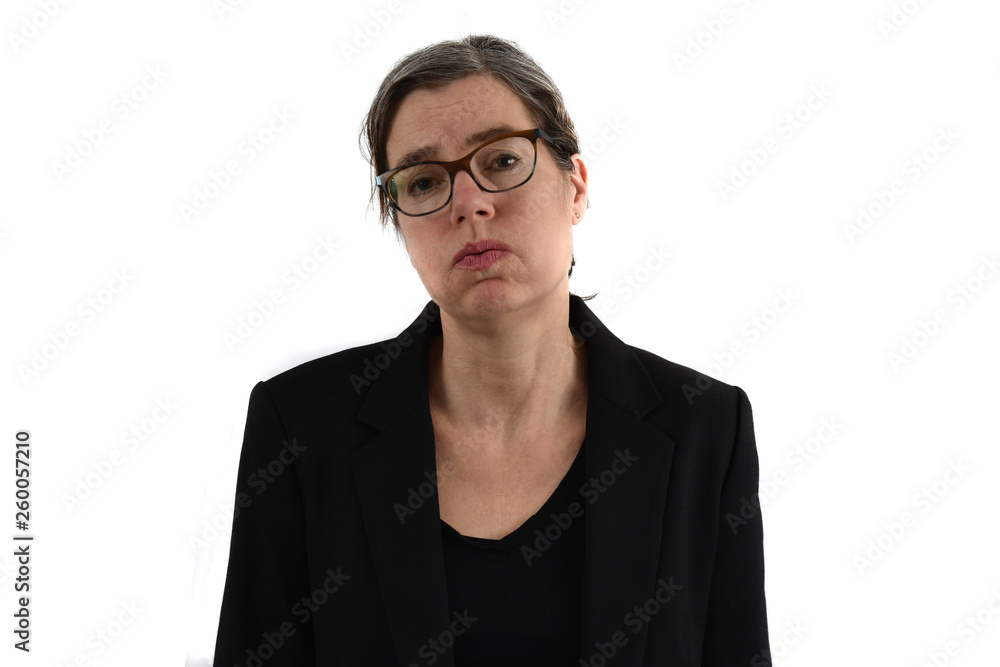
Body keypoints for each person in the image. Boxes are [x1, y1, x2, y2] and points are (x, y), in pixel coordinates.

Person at [212, 34, 771, 666]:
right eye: (424, 182)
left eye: (502, 161)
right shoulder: (302, 425)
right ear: (399, 221)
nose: (470, 204)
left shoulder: (704, 427)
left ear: (577, 184)